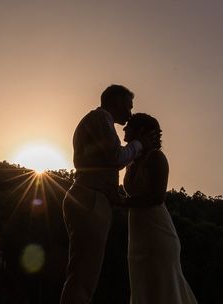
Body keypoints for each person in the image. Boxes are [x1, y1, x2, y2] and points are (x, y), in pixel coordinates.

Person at [60, 84, 158, 304]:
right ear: (116, 102)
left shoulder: (99, 122)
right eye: (128, 106)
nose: (130, 113)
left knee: (83, 275)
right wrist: (140, 144)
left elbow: (108, 162)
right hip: (91, 199)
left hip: (91, 198)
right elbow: (116, 157)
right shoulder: (100, 119)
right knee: (83, 277)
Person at [123, 113, 198, 304]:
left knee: (162, 288)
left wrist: (120, 201)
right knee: (142, 285)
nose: (124, 129)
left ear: (140, 131)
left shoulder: (156, 158)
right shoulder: (132, 161)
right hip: (138, 233)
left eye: (129, 125)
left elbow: (156, 197)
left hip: (157, 232)